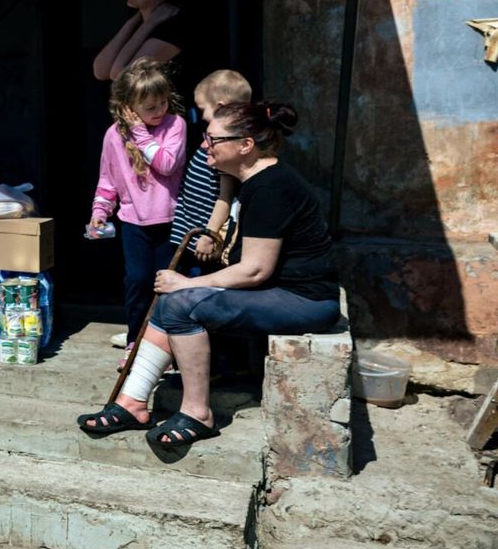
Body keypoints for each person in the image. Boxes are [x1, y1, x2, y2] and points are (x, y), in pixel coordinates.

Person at [77, 102, 341, 446]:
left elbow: (255, 270)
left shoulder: (271, 187)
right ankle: (132, 402)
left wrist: (188, 282)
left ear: (245, 145)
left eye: (213, 139)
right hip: (283, 293)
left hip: (306, 301)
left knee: (181, 303)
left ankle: (198, 413)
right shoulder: (255, 180)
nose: (204, 146)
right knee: (171, 302)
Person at [86, 59, 188, 361]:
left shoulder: (175, 125)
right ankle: (136, 342)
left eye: (163, 103)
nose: (159, 111)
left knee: (168, 285)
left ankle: (167, 347)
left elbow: (167, 164)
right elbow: (108, 179)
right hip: (134, 222)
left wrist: (141, 133)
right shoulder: (113, 136)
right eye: (150, 107)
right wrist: (100, 209)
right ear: (128, 107)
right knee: (138, 281)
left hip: (171, 220)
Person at [91, 0, 185, 82]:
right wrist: (133, 23)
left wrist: (150, 22)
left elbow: (120, 75)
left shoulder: (173, 27)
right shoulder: (139, 22)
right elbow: (100, 71)